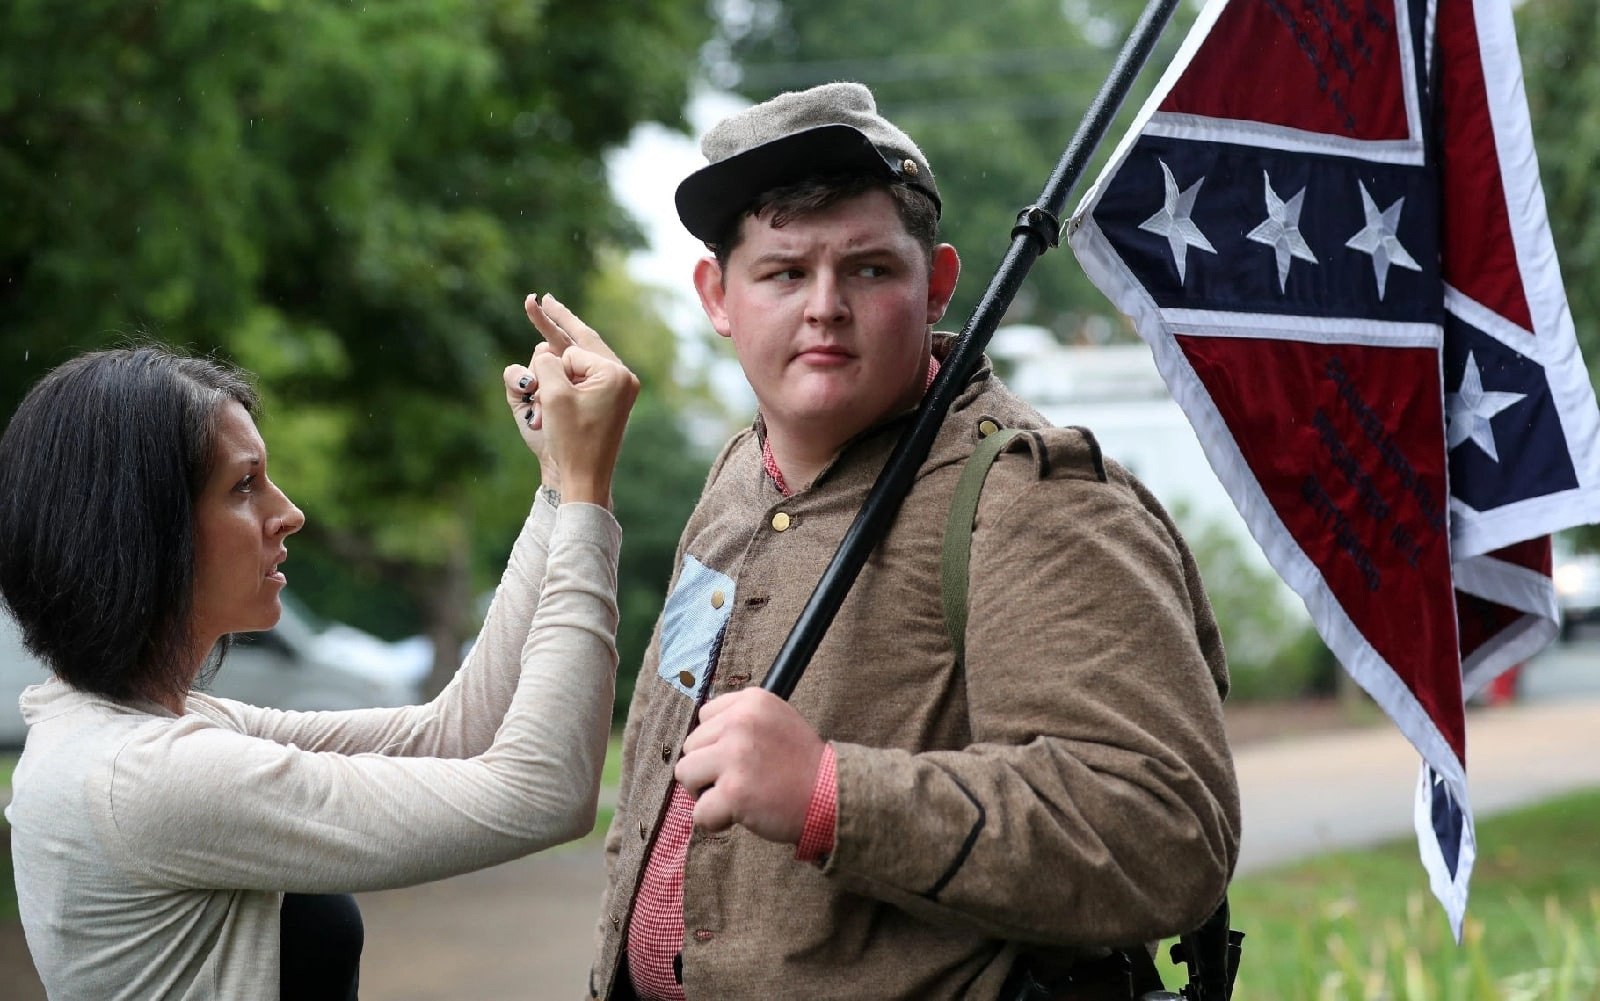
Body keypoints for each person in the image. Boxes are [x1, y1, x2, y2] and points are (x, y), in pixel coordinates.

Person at [584, 83, 1241, 1000]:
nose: (825, 306)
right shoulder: (738, 478)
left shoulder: (1032, 500)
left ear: (936, 283)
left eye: (868, 270)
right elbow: (659, 774)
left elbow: (1165, 835)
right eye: (783, 272)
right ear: (717, 296)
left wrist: (827, 794)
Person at [0, 295, 638, 1001]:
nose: (288, 512)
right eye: (244, 486)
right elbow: (542, 792)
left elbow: (457, 734)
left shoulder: (135, 734)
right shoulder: (143, 778)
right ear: (143, 531)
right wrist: (586, 492)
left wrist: (556, 483)